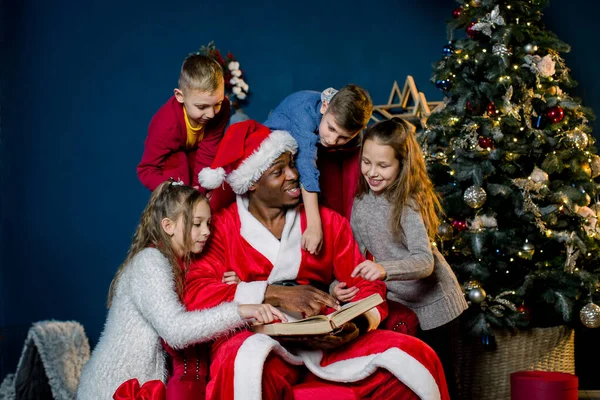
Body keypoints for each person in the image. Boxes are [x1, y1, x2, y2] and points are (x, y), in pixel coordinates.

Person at [192, 120, 450, 400]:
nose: (294, 175)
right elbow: (197, 291)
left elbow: (364, 283)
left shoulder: (328, 223)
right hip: (258, 337)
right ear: (252, 183)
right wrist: (273, 294)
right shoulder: (219, 229)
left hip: (325, 341)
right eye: (279, 171)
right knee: (245, 363)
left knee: (413, 358)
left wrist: (358, 323)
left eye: (293, 164)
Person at [77, 181, 285, 400]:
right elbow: (176, 331)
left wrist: (233, 287)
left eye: (208, 223)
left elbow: (196, 311)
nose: (206, 232)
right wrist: (240, 310)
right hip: (112, 388)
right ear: (168, 226)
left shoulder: (177, 264)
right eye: (197, 224)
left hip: (139, 385)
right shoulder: (150, 262)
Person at [332, 117, 468, 396]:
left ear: (402, 165)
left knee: (445, 385)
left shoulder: (408, 202)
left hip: (438, 307)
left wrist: (382, 268)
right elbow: (354, 258)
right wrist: (338, 285)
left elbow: (424, 262)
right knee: (409, 382)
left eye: (383, 165)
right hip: (400, 304)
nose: (372, 172)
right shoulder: (361, 200)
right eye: (366, 162)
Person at [263, 85, 372, 254]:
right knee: (303, 169)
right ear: (324, 106)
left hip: (316, 150)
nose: (334, 140)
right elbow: (306, 165)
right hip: (274, 145)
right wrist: (314, 225)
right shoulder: (304, 111)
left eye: (344, 137)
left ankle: (352, 242)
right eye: (331, 128)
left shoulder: (351, 132)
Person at [137, 53, 231, 193]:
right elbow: (146, 170)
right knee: (179, 160)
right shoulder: (166, 125)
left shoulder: (222, 109)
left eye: (217, 103)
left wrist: (200, 192)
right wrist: (180, 193)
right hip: (171, 170)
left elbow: (208, 151)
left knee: (222, 162)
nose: (211, 114)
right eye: (201, 107)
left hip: (197, 157)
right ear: (180, 96)